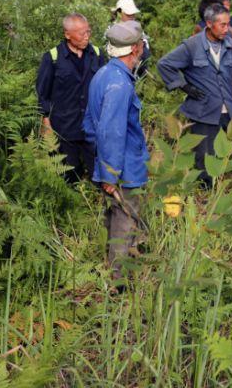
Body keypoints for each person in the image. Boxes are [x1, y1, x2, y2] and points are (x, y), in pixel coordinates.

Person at [158, 2, 232, 186]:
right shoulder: (192, 46)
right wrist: (185, 87)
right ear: (209, 23)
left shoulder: (231, 45)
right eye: (222, 25)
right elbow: (164, 64)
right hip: (205, 110)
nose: (227, 28)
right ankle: (206, 193)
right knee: (205, 158)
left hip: (231, 108)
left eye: (228, 24)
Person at [83, 21, 150, 284]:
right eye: (142, 44)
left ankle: (114, 273)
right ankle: (119, 284)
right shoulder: (120, 85)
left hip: (111, 164)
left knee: (113, 220)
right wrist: (111, 174)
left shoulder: (103, 75)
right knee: (125, 223)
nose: (144, 48)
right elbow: (111, 132)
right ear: (134, 49)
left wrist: (102, 164)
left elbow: (90, 127)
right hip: (124, 169)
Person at [35, 13, 106, 184]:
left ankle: (100, 207)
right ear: (67, 35)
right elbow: (42, 93)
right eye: (82, 33)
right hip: (64, 129)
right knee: (68, 178)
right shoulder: (52, 58)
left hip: (93, 128)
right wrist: (46, 123)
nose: (87, 36)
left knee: (100, 177)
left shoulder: (97, 55)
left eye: (88, 32)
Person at [111, 0, 151, 78]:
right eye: (129, 15)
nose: (132, 17)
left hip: (137, 76)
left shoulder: (138, 29)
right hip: (118, 74)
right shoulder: (111, 31)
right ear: (119, 13)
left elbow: (146, 54)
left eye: (133, 14)